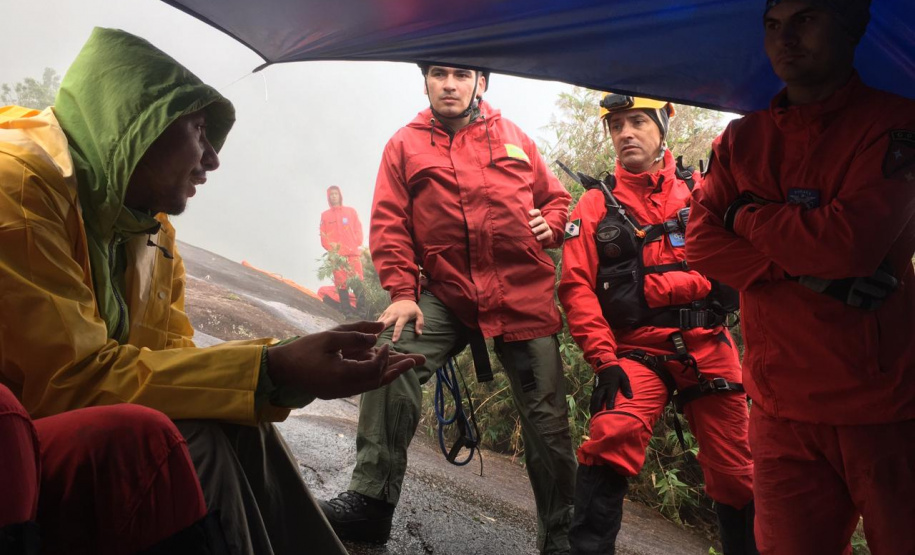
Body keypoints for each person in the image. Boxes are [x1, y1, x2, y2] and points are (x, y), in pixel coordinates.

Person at [0, 28, 424, 555]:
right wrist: (275, 369)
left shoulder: (150, 232)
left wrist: (283, 368)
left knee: (233, 421)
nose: (213, 158)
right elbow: (65, 384)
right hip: (14, 458)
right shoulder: (17, 185)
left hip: (61, 438)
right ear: (135, 124)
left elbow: (172, 367)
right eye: (199, 130)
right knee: (186, 440)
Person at [685, 1, 915, 553]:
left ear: (852, 25)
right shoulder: (741, 140)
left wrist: (745, 217)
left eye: (805, 19)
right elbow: (701, 242)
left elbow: (849, 244)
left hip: (885, 408)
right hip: (779, 409)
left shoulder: (897, 124)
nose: (785, 37)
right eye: (773, 24)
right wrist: (808, 275)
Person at [319, 64, 577, 553]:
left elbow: (557, 199)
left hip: (519, 297)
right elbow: (390, 224)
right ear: (426, 82)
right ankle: (371, 502)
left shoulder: (515, 137)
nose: (450, 84)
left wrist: (555, 221)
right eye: (439, 74)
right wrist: (402, 293)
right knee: (388, 354)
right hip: (448, 293)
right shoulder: (404, 144)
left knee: (548, 422)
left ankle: (562, 540)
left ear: (482, 82)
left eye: (462, 74)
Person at [558, 94, 756, 555]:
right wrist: (604, 360)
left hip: (707, 342)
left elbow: (747, 257)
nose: (625, 133)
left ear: (663, 125)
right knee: (612, 436)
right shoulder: (593, 205)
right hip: (635, 349)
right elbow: (577, 288)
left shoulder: (702, 189)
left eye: (637, 122)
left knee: (738, 469)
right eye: (616, 126)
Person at [0, 384, 225, 554]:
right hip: (66, 396)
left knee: (151, 437)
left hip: (116, 382)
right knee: (206, 440)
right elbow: (68, 379)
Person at [320, 185, 364, 312]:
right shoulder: (325, 215)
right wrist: (332, 250)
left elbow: (358, 228)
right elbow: (323, 235)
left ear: (340, 195)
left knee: (358, 281)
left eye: (336, 194)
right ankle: (347, 311)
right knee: (341, 283)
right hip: (337, 256)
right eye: (331, 195)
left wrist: (355, 242)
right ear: (329, 197)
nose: (334, 196)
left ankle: (362, 311)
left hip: (352, 253)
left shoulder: (351, 212)